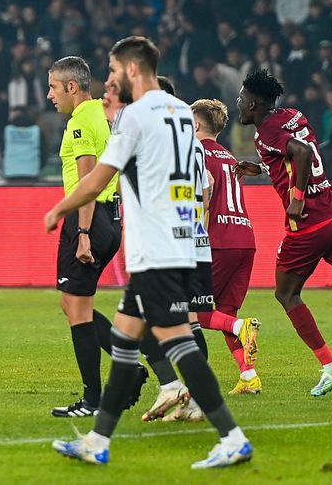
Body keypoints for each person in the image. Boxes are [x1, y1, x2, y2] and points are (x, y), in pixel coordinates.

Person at [46, 36, 251, 468]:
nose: (109, 79)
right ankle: (98, 441)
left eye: (113, 70)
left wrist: (61, 209)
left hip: (156, 246)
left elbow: (98, 178)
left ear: (132, 70)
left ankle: (232, 437)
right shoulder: (180, 112)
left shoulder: (135, 116)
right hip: (179, 237)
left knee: (178, 343)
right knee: (124, 341)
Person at [236, 68, 332, 396]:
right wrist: (261, 168)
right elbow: (295, 153)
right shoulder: (292, 115)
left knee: (286, 293)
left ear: (254, 103)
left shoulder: (266, 131)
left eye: (242, 97)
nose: (239, 102)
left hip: (309, 222)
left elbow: (301, 153)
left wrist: (297, 198)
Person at [44, 56, 143, 418]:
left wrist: (83, 232)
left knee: (77, 308)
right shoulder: (101, 116)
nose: (50, 95)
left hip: (88, 218)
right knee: (72, 304)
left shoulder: (81, 122)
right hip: (109, 217)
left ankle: (93, 399)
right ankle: (127, 368)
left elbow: (88, 180)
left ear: (72, 86)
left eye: (53, 87)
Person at [193, 99, 262, 395]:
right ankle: (249, 376)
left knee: (189, 311)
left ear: (196, 124)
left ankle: (241, 327)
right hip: (245, 239)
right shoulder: (230, 157)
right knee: (225, 312)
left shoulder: (196, 153)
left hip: (218, 241)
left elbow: (204, 199)